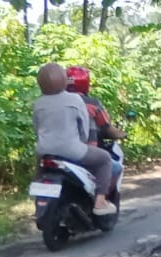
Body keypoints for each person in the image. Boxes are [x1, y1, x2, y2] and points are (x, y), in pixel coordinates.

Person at [32, 63, 115, 216]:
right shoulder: (75, 99)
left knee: (39, 175)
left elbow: (37, 129)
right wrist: (82, 142)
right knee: (105, 159)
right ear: (64, 80)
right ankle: (100, 202)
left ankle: (39, 205)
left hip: (44, 150)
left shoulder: (38, 103)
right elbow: (83, 129)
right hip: (71, 150)